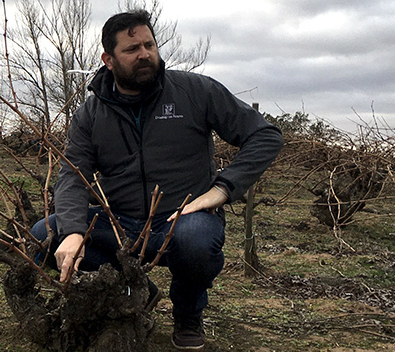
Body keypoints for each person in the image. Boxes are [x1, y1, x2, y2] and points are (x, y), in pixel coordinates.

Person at [31, 9, 283, 351]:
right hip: (120, 223)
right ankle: (135, 289)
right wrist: (74, 231)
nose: (145, 54)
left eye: (149, 45)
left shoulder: (195, 91)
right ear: (108, 59)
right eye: (132, 49)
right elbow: (72, 175)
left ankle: (188, 315)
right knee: (44, 234)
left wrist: (223, 189)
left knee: (196, 240)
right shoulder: (91, 113)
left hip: (182, 217)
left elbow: (265, 136)